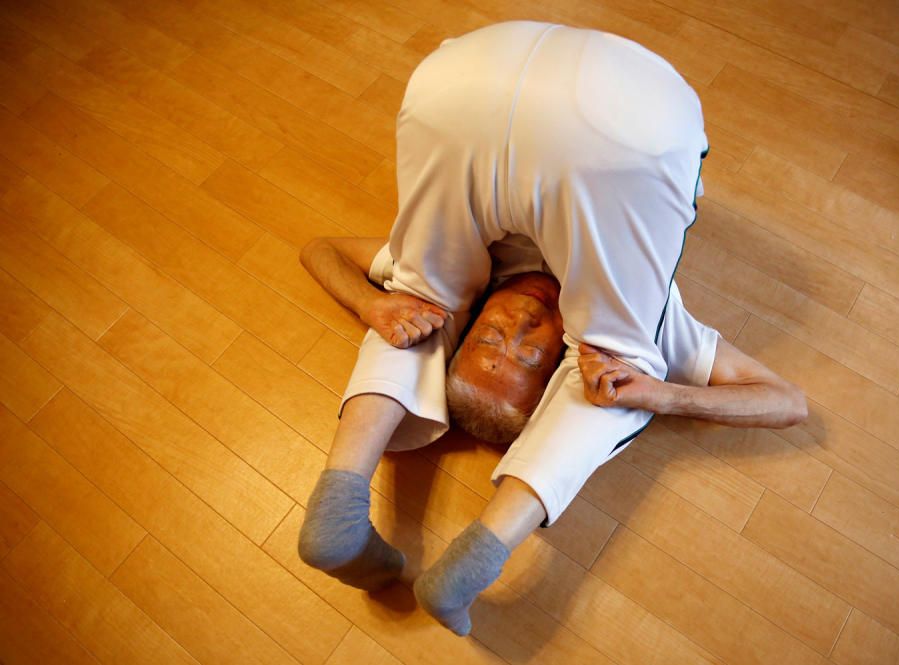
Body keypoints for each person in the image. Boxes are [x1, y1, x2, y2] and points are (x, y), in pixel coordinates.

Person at [296, 21, 807, 636]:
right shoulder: (649, 330)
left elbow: (319, 248)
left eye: (489, 340)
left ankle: (342, 492)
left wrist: (371, 306)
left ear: (471, 326)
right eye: (533, 359)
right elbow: (789, 403)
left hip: (457, 93)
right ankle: (483, 550)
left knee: (421, 300)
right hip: (628, 124)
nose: (523, 322)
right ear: (556, 379)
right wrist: (660, 394)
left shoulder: (469, 280)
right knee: (623, 358)